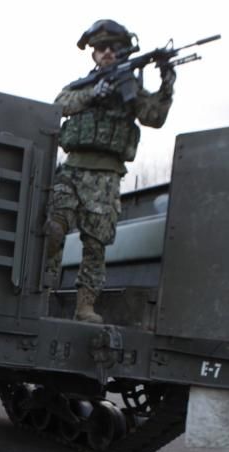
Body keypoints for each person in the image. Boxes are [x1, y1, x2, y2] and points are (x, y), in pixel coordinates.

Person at [44, 19, 176, 323]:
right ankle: (43, 293)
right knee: (52, 229)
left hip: (106, 177)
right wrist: (94, 93)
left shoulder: (129, 87)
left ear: (122, 50)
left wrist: (166, 83)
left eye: (112, 48)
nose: (105, 53)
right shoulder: (82, 85)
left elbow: (153, 117)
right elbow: (59, 105)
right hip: (72, 170)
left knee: (95, 244)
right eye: (100, 48)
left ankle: (85, 306)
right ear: (93, 53)